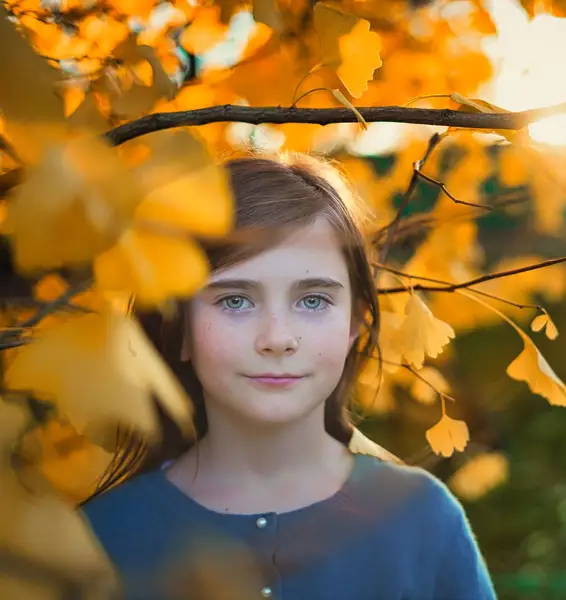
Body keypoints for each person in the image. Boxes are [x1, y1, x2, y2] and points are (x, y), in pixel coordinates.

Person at [79, 153, 497, 600]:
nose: (278, 338)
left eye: (313, 300)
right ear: (177, 326)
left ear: (355, 322)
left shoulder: (422, 519)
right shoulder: (98, 539)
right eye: (235, 300)